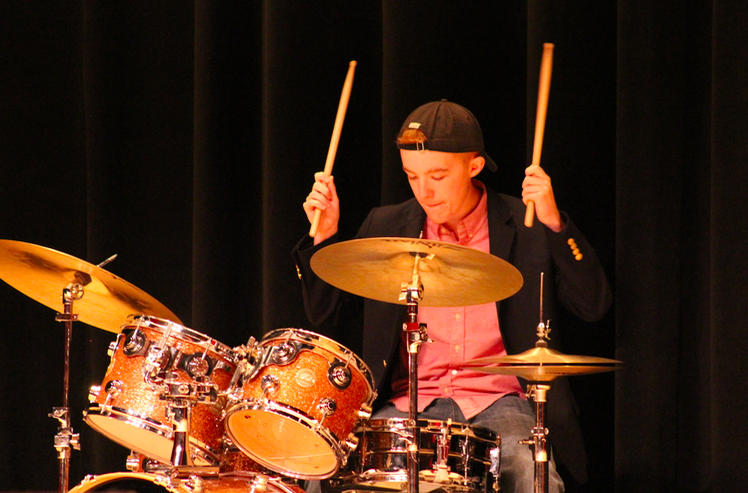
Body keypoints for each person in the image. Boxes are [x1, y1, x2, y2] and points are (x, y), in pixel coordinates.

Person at [293, 100, 612, 493]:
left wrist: (554, 223)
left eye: (438, 175)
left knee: (532, 478)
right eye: (412, 176)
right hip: (407, 404)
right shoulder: (388, 225)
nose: (424, 191)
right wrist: (323, 237)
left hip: (501, 404)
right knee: (321, 468)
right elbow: (327, 312)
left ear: (474, 166)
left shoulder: (525, 225)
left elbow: (593, 304)